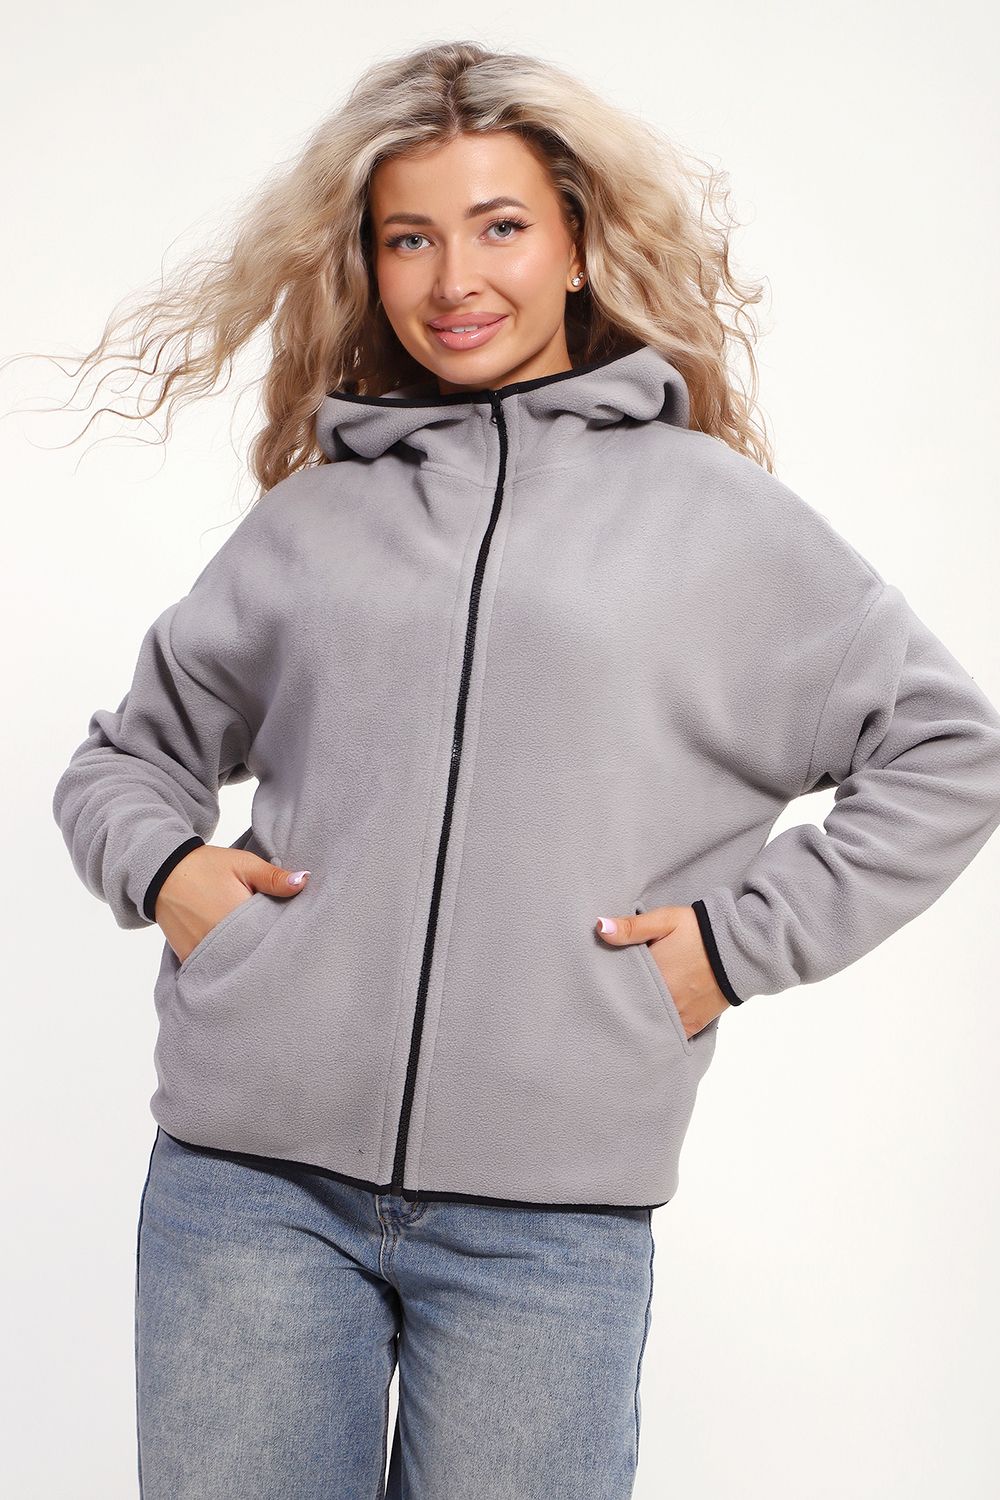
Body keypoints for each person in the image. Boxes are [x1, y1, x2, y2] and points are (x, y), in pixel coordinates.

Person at [47, 38, 1000, 1500]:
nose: (454, 280)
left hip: (551, 1219)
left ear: (576, 243)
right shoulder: (313, 521)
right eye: (409, 238)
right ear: (369, 265)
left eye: (499, 226)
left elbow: (948, 749)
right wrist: (176, 879)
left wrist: (728, 952)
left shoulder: (719, 521)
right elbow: (126, 760)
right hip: (248, 1189)